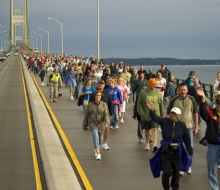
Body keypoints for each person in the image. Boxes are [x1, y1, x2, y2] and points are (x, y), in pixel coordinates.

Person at [146, 102, 193, 190]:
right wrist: (152, 110)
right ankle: (166, 188)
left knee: (176, 173)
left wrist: (190, 150)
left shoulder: (182, 125)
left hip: (177, 152)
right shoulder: (164, 121)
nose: (173, 115)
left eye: (175, 114)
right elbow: (155, 117)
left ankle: (175, 187)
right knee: (167, 172)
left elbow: (187, 138)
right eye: (172, 113)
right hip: (166, 151)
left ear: (179, 115)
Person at [166, 82, 198, 176]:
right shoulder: (174, 100)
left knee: (189, 147)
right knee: (177, 148)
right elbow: (168, 114)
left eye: (184, 90)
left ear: (187, 90)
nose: (183, 91)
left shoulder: (192, 99)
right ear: (178, 90)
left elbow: (195, 113)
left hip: (188, 127)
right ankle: (180, 167)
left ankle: (188, 166)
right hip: (176, 128)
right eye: (181, 90)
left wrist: (196, 126)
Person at [198, 89, 220, 190]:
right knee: (212, 169)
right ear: (215, 103)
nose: (219, 105)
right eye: (218, 103)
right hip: (213, 146)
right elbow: (202, 113)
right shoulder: (211, 113)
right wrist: (203, 99)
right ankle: (214, 188)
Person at [137, 78, 163, 152]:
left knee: (155, 128)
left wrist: (161, 113)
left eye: (155, 84)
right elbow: (139, 104)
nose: (154, 86)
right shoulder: (143, 92)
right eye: (152, 84)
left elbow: (160, 103)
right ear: (149, 84)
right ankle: (147, 143)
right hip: (146, 115)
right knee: (147, 129)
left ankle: (155, 144)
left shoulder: (158, 93)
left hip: (155, 114)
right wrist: (142, 114)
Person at [82, 90, 110, 160]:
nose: (98, 97)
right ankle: (98, 153)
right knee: (95, 136)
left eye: (99, 95)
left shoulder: (104, 105)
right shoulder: (90, 105)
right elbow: (86, 116)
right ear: (94, 96)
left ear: (101, 97)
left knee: (100, 138)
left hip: (101, 123)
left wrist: (107, 122)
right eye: (97, 95)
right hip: (92, 122)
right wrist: (84, 125)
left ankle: (96, 147)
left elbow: (106, 114)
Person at [89, 80, 112, 150]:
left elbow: (110, 103)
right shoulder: (93, 93)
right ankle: (97, 145)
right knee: (97, 130)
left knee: (106, 128)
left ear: (104, 85)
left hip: (105, 114)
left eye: (102, 84)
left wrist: (111, 114)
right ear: (97, 85)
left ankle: (104, 143)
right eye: (99, 84)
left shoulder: (107, 93)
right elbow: (90, 105)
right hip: (95, 115)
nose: (100, 85)